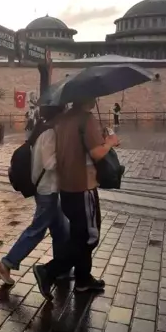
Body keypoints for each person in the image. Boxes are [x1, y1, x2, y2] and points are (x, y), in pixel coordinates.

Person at [33, 97, 119, 299]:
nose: (95, 99)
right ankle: (49, 270)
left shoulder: (63, 119)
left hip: (67, 187)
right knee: (90, 237)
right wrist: (110, 142)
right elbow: (97, 153)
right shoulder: (86, 119)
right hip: (84, 186)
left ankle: (83, 279)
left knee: (79, 235)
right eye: (94, 95)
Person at [0, 105, 69, 285]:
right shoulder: (49, 133)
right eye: (63, 111)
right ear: (57, 114)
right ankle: (7, 263)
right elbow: (50, 163)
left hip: (48, 188)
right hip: (47, 189)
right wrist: (67, 154)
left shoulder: (42, 129)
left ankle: (61, 267)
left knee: (61, 230)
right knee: (37, 230)